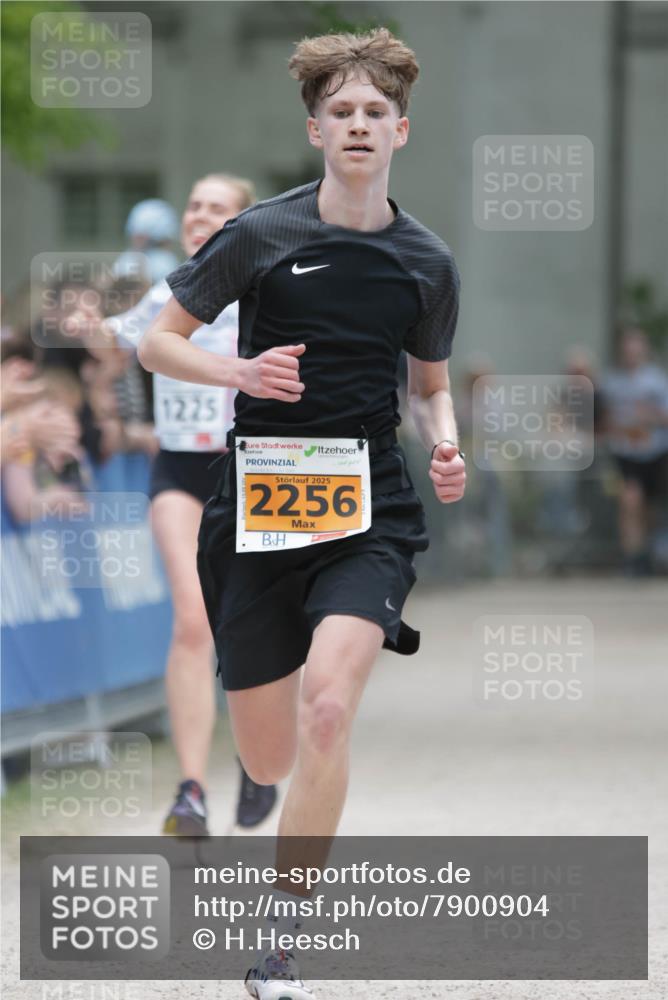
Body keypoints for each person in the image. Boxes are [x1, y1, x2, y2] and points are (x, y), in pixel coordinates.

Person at [139, 29, 465, 1000]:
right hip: (254, 509)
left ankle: (281, 938)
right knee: (269, 747)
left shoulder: (425, 260)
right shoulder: (260, 235)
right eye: (341, 113)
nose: (358, 126)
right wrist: (238, 370)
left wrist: (445, 442)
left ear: (398, 132)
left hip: (369, 509)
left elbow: (432, 386)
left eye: (375, 113)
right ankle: (257, 772)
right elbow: (160, 344)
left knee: (329, 705)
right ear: (314, 129)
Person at [104, 175, 279, 833]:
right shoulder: (165, 292)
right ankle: (191, 790)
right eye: (194, 205)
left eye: (217, 207)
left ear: (243, 223)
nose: (200, 215)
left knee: (249, 628)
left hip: (254, 477)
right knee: (190, 622)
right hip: (179, 472)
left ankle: (256, 760)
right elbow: (113, 342)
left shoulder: (270, 291)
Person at [600, 327, 668, 575]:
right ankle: (633, 558)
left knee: (649, 509)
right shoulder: (612, 381)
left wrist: (648, 416)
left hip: (654, 451)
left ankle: (649, 553)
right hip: (625, 451)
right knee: (630, 501)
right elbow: (604, 418)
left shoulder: (657, 380)